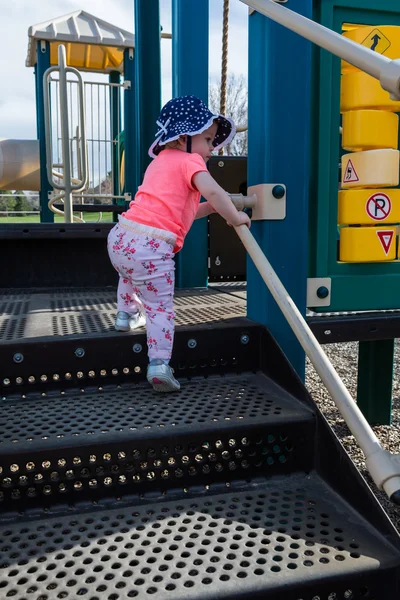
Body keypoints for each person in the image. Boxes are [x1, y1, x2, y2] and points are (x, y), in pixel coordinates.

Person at [107, 95, 250, 392]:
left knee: (129, 274)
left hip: (121, 236)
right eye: (208, 140)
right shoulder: (190, 161)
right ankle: (159, 365)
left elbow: (178, 214)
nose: (212, 149)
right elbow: (214, 191)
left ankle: (125, 315)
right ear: (184, 137)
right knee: (160, 308)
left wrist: (210, 209)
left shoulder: (160, 162)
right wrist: (235, 217)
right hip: (151, 247)